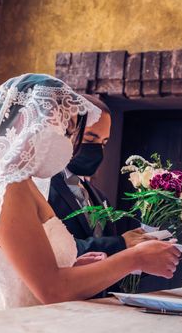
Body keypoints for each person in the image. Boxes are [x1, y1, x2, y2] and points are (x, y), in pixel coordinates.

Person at [0, 74, 180, 311]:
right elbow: (52, 290)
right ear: (24, 121)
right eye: (64, 131)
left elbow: (30, 273)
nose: (69, 144)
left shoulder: (22, 181)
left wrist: (75, 268)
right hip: (16, 326)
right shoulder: (6, 185)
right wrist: (134, 258)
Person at [49, 95, 150, 257]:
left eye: (103, 143)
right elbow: (50, 249)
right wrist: (121, 243)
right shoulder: (43, 186)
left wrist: (140, 249)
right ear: (64, 130)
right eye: (90, 138)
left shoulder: (98, 195)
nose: (98, 150)